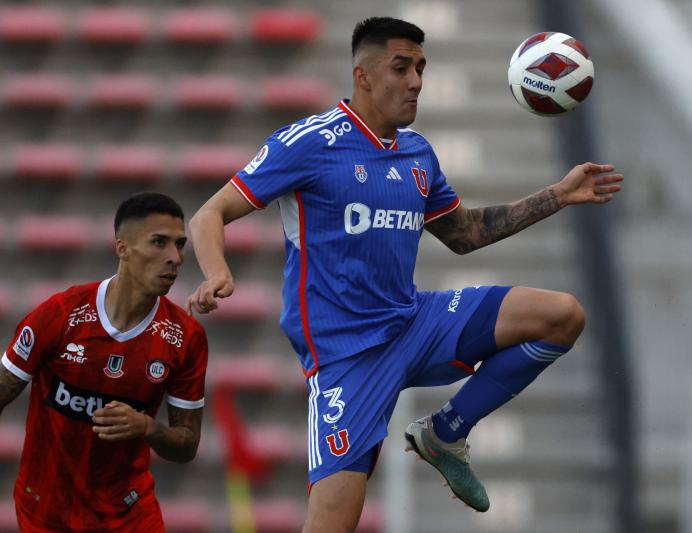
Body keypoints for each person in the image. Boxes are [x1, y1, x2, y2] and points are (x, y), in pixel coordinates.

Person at [187, 16, 623, 533]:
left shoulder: (417, 153)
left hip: (413, 323)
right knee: (331, 525)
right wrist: (216, 272)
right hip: (347, 355)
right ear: (363, 75)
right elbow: (209, 213)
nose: (416, 81)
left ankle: (445, 432)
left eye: (421, 68)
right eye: (401, 68)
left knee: (562, 316)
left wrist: (559, 195)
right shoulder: (309, 143)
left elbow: (464, 234)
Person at [0, 192, 208, 532]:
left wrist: (146, 427)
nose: (175, 257)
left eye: (180, 244)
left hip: (130, 515)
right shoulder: (61, 314)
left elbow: (187, 445)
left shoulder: (185, 336)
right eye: (159, 242)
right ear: (123, 248)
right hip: (47, 512)